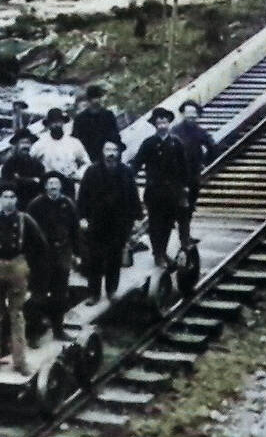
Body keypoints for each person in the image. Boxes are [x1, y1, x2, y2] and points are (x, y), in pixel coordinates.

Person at [0, 180, 48, 375]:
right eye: (5, 197)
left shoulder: (25, 220)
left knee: (17, 315)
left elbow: (40, 245)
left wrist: (28, 267)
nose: (8, 200)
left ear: (16, 200)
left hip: (17, 267)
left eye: (12, 197)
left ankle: (20, 362)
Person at [76, 138, 140, 303]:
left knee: (114, 258)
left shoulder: (126, 172)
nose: (111, 154)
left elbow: (133, 196)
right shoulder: (92, 171)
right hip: (97, 221)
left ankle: (111, 290)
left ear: (118, 153)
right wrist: (82, 217)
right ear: (102, 152)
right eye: (108, 150)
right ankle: (94, 293)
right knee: (94, 259)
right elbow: (83, 196)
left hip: (118, 222)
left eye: (114, 150)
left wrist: (137, 218)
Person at [129, 107, 189, 267]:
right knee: (156, 224)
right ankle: (157, 254)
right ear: (155, 125)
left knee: (168, 223)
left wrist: (184, 188)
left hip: (172, 192)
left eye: (165, 121)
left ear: (169, 123)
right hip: (154, 191)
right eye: (159, 121)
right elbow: (136, 164)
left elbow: (184, 167)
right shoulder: (149, 143)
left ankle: (162, 251)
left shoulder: (176, 143)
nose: (162, 124)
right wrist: (128, 178)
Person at [25, 172, 80, 340]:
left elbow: (75, 231)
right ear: (45, 186)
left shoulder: (68, 204)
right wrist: (31, 258)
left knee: (60, 295)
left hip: (62, 253)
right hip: (42, 256)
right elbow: (28, 234)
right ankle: (33, 333)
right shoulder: (35, 205)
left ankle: (58, 330)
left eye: (56, 184)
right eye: (50, 184)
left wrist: (77, 253)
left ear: (61, 186)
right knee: (38, 296)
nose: (54, 187)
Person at [169, 99, 216, 213]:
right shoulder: (175, 131)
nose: (191, 118)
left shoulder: (199, 131)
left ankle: (189, 208)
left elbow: (212, 146)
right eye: (188, 115)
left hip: (194, 167)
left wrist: (205, 162)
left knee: (193, 191)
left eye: (193, 116)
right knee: (178, 193)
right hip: (178, 169)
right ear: (183, 115)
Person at [32, 109, 89, 192]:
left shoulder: (74, 142)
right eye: (53, 122)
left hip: (69, 183)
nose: (56, 125)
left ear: (63, 123)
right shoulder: (41, 143)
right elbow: (30, 160)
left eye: (59, 121)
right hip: (49, 185)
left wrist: (77, 174)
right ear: (48, 124)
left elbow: (86, 162)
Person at [71, 84, 121, 163]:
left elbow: (115, 137)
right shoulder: (80, 119)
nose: (96, 101)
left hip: (108, 157)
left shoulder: (108, 115)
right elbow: (75, 141)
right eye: (93, 98)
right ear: (88, 100)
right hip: (88, 157)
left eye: (98, 97)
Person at [0, 129, 47, 207]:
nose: (25, 146)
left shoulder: (37, 164)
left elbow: (41, 184)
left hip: (34, 202)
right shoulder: (9, 164)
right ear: (17, 144)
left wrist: (20, 179)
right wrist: (31, 180)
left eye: (28, 143)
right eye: (22, 143)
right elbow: (7, 184)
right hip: (16, 203)